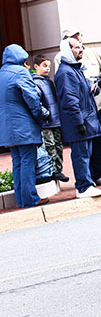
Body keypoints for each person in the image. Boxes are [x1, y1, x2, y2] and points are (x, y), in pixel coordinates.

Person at [54, 28, 101, 186]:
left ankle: (92, 179)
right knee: (81, 155)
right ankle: (84, 186)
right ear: (67, 47)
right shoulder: (66, 71)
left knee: (92, 149)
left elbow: (86, 86)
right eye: (75, 44)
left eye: (80, 45)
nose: (80, 47)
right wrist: (79, 122)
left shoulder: (76, 67)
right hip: (80, 118)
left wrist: (97, 85)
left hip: (92, 113)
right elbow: (70, 99)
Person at [0, 44, 48, 207]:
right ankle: (30, 198)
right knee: (28, 161)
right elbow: (32, 99)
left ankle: (22, 199)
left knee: (18, 162)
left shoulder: (1, 74)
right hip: (23, 126)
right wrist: (41, 116)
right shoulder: (20, 72)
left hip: (7, 127)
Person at [32, 54, 69, 182]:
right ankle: (51, 171)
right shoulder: (35, 82)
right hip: (46, 123)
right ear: (36, 66)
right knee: (50, 146)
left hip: (55, 120)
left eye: (49, 66)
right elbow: (36, 102)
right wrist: (45, 114)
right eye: (44, 66)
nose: (47, 69)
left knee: (58, 145)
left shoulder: (49, 82)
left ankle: (58, 170)